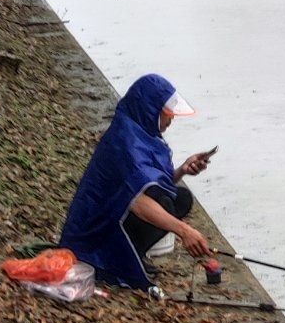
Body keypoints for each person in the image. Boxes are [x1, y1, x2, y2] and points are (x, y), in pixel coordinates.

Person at [58, 71, 216, 293]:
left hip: (114, 213)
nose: (172, 118)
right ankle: (113, 259)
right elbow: (136, 203)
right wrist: (185, 230)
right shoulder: (125, 141)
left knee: (181, 198)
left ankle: (134, 252)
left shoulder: (140, 132)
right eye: (168, 113)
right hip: (93, 233)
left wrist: (181, 170)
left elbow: (147, 184)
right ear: (150, 110)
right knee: (166, 205)